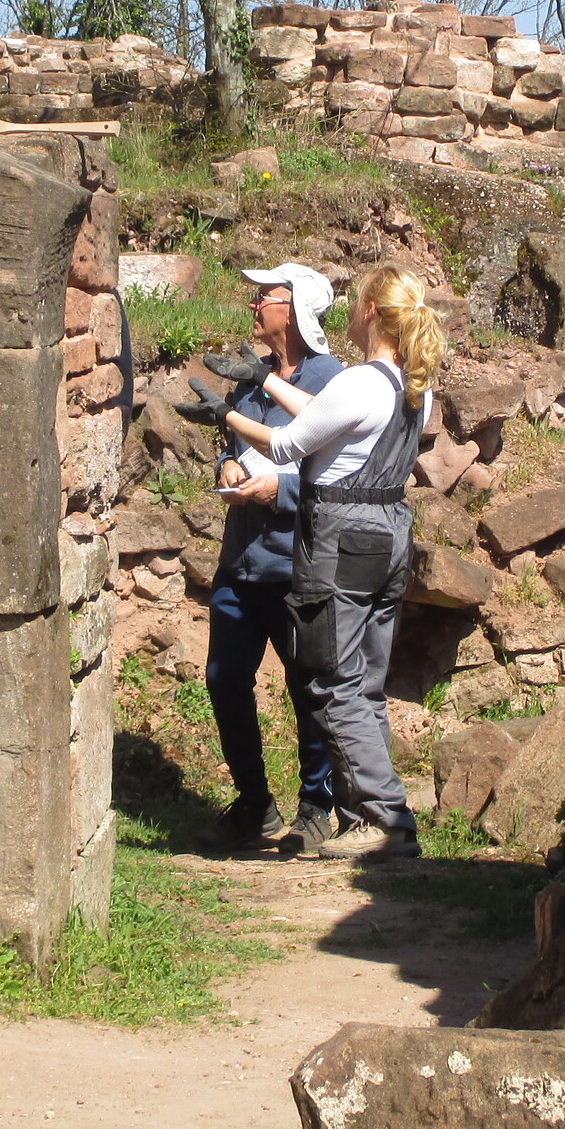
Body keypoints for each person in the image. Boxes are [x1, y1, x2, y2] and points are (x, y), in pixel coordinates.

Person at [220, 263, 445, 861]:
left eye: (356, 301)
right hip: (390, 532)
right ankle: (361, 812)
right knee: (365, 683)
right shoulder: (412, 385)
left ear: (370, 311)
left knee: (330, 680)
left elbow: (286, 443)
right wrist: (265, 382)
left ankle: (386, 818)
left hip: (342, 538)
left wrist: (227, 418)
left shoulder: (358, 380)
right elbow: (326, 414)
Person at [176, 264, 344, 855]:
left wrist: (282, 491)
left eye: (263, 297)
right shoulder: (253, 376)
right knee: (224, 679)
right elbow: (235, 442)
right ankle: (255, 805)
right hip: (241, 562)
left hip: (299, 567)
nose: (253, 306)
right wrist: (226, 464)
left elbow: (344, 474)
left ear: (294, 310)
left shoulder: (332, 382)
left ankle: (317, 808)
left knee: (309, 689)